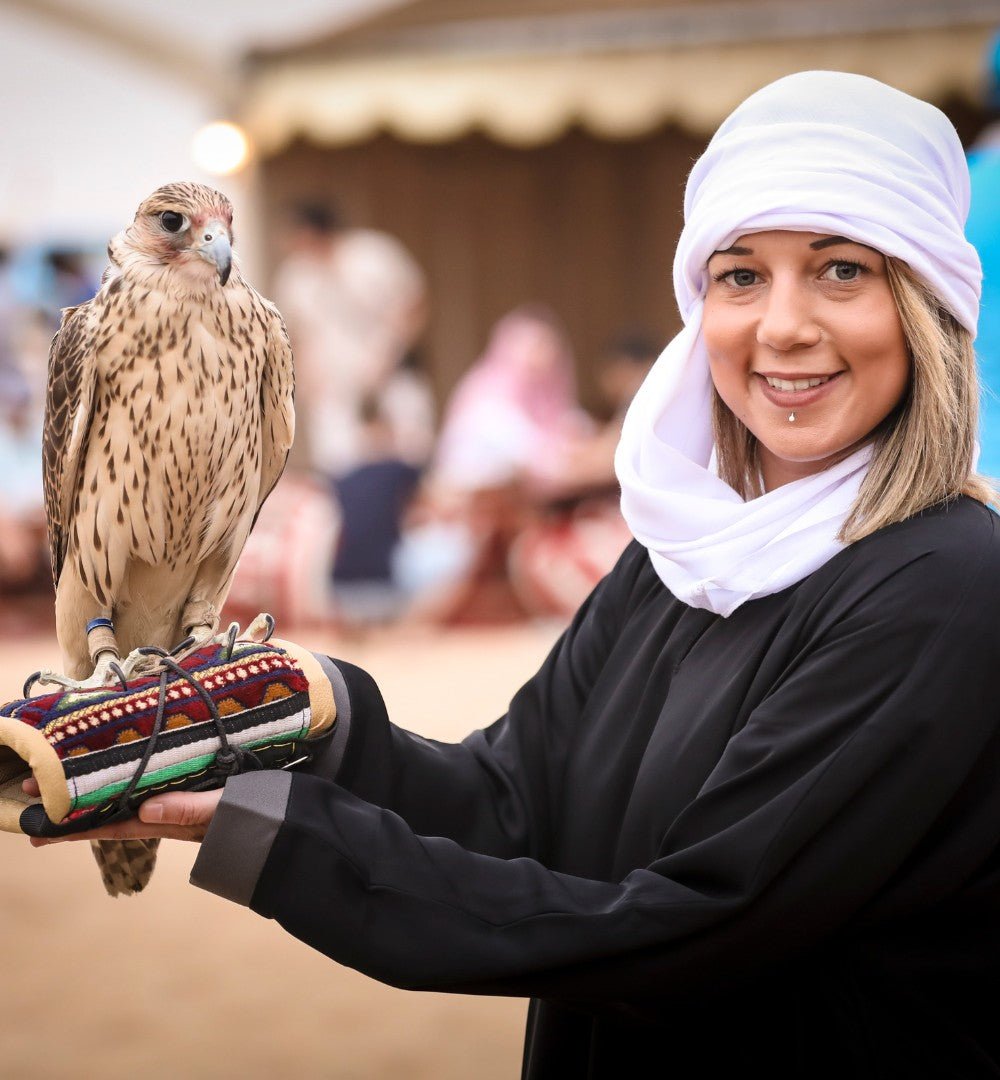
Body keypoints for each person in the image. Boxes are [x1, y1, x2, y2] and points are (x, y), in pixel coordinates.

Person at [28, 72, 1000, 1076]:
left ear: (928, 305)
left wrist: (278, 835)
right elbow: (512, 802)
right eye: (740, 274)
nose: (781, 325)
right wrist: (313, 716)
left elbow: (693, 932)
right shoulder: (686, 559)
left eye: (841, 270)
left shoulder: (945, 588)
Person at [272, 202, 427, 479]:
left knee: (410, 451)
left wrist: (392, 351)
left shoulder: (372, 254)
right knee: (339, 464)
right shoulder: (296, 275)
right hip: (335, 383)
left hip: (391, 371)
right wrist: (307, 379)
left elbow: (414, 304)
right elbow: (297, 333)